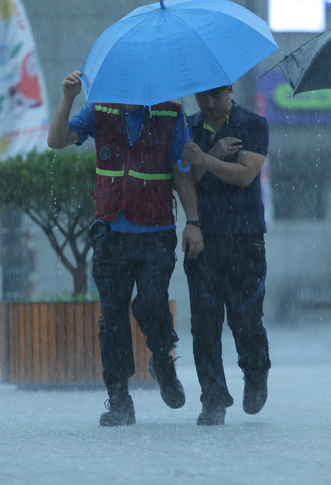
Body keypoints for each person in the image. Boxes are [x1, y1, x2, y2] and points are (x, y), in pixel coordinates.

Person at [48, 71, 203, 427]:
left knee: (152, 302)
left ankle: (162, 360)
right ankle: (119, 399)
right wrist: (68, 98)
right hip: (110, 232)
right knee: (112, 317)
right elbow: (56, 140)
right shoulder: (99, 110)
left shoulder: (170, 113)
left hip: (156, 231)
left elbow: (182, 173)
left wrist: (193, 222)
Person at [182, 84, 271, 426]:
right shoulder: (186, 128)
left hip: (245, 237)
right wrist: (211, 155)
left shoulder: (253, 124)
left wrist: (206, 158)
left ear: (231, 89)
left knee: (246, 318)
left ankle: (256, 371)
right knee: (204, 324)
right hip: (203, 238)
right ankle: (213, 398)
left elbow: (245, 176)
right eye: (201, 96)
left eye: (216, 95)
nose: (209, 103)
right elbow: (184, 181)